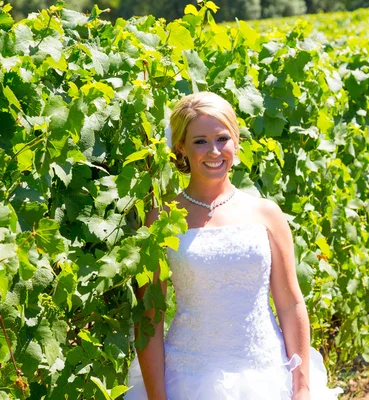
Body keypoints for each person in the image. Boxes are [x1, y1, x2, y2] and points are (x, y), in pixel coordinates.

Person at [125, 91, 343, 399]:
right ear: (181, 148)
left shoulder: (266, 214)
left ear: (236, 142)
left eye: (222, 138)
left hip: (266, 377)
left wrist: (303, 388)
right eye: (200, 141)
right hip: (188, 379)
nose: (214, 151)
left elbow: (291, 304)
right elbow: (150, 318)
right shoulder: (161, 219)